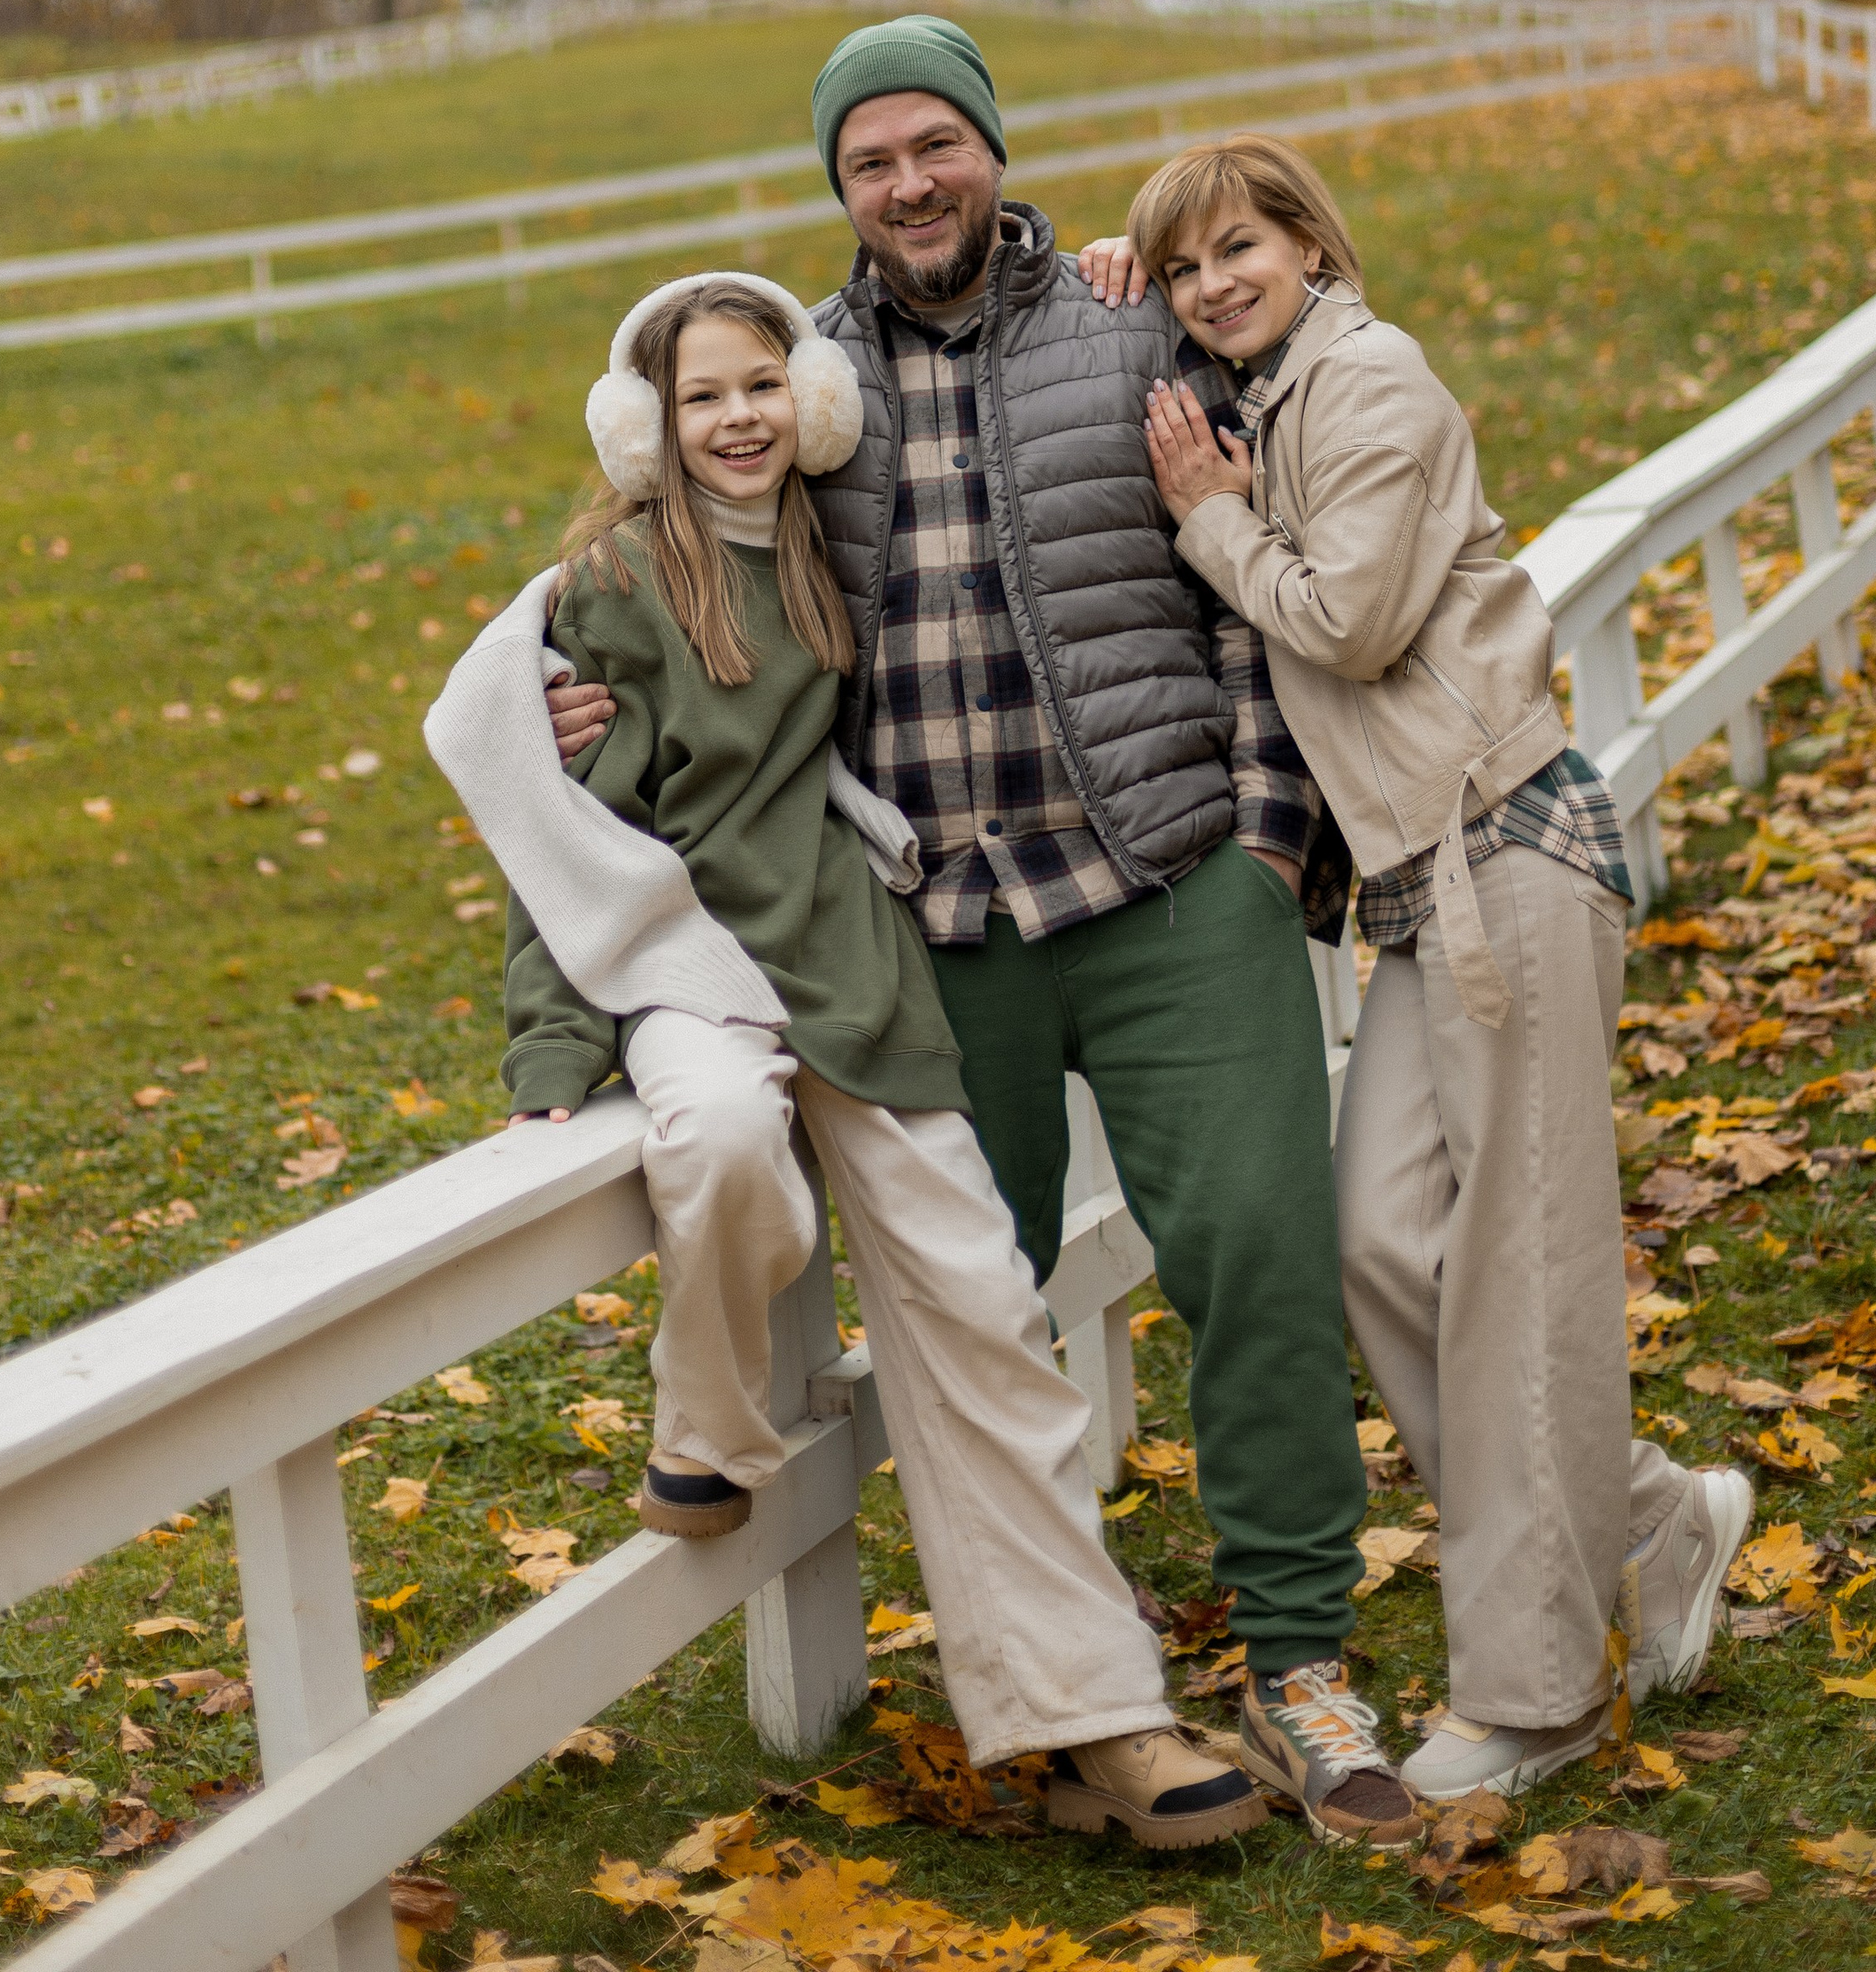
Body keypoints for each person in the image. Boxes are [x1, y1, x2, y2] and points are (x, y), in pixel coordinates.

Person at [554, 22, 1424, 1848]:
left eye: (935, 144)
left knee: (1259, 1261)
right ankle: (1077, 1695)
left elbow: (1247, 569)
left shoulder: (1133, 323)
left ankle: (1297, 1660)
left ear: (991, 149)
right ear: (838, 187)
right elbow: (661, 556)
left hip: (1175, 883)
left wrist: (1265, 843)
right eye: (869, 160)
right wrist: (576, 702)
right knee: (977, 1315)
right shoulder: (797, 387)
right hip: (940, 933)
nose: (909, 184)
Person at [427, 268, 1267, 1853]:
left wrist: (1122, 259)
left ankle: (1095, 1714)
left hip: (855, 959)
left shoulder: (832, 546)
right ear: (643, 427)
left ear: (811, 402)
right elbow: (561, 834)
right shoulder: (613, 587)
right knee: (722, 1144)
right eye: (701, 398)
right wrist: (552, 1044)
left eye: (764, 386)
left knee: (986, 1308)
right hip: (687, 961)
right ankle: (708, 1431)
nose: (739, 420)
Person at [1079, 135, 1753, 1800]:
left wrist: (1212, 522)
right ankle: (1649, 1519)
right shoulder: (1273, 382)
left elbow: (1352, 619)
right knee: (1380, 1241)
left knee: (1519, 1269)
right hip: (1421, 888)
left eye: (1241, 248)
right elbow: (1189, 362)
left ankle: (1537, 1691)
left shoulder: (1369, 380)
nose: (1212, 286)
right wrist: (1111, 271)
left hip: (1508, 849)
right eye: (1187, 267)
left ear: (1312, 244)